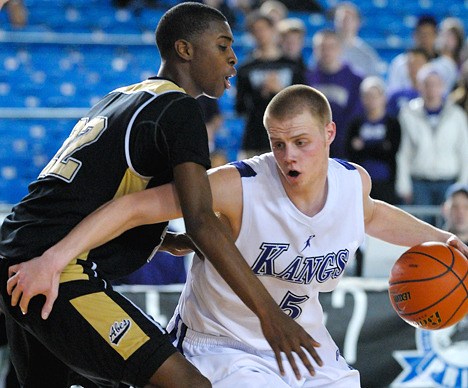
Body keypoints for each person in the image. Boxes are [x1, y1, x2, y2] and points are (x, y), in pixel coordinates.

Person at [11, 85, 468, 387]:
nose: (288, 155)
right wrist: (56, 258)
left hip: (301, 339)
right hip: (219, 344)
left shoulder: (353, 183)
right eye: (277, 143)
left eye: (301, 142)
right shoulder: (236, 184)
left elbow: (372, 215)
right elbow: (133, 207)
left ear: (329, 134)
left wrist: (446, 241)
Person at [0, 3, 321, 387]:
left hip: (18, 252)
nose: (234, 57)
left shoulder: (122, 96)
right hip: (53, 268)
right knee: (189, 384)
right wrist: (271, 315)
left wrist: (162, 238)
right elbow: (201, 220)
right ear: (185, 50)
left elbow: (85, 191)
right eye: (222, 45)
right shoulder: (180, 109)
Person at [396, 63, 468, 224]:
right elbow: (404, 151)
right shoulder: (408, 113)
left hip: (449, 180)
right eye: (427, 84)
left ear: (443, 86)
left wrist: (463, 184)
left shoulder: (456, 115)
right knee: (422, 228)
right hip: (420, 181)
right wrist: (404, 185)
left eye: (436, 84)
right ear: (420, 86)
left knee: (450, 228)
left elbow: (464, 151)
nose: (431, 89)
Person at [235, 9, 304, 158]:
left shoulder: (292, 66)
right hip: (255, 138)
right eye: (255, 30)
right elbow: (239, 108)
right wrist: (261, 93)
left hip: (287, 138)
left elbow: (303, 103)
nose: (260, 34)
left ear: (273, 30)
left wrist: (280, 91)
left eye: (263, 29)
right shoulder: (245, 69)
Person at [305, 28, 363, 159]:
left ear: (340, 49)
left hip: (344, 148)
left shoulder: (355, 79)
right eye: (322, 47)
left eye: (331, 47)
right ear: (315, 50)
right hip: (313, 147)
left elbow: (356, 117)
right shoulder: (306, 77)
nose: (327, 52)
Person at [345, 76, 401, 205]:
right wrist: (380, 147)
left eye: (374, 96)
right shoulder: (355, 123)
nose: (371, 100)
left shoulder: (392, 123)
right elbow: (350, 151)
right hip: (360, 182)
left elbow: (392, 151)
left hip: (385, 182)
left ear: (383, 97)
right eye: (367, 96)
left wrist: (364, 147)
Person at [386, 15, 438, 96]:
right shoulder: (399, 62)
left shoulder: (443, 64)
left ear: (436, 36)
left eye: (429, 34)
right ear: (414, 35)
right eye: (422, 34)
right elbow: (393, 93)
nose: (425, 39)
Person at [333, 2, 384, 77]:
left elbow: (374, 80)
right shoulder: (324, 49)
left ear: (357, 22)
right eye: (340, 19)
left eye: (348, 19)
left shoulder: (366, 53)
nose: (344, 23)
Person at [386, 47, 430, 118]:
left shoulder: (435, 94)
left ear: (427, 64)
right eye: (410, 63)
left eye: (418, 63)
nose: (414, 67)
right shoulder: (396, 95)